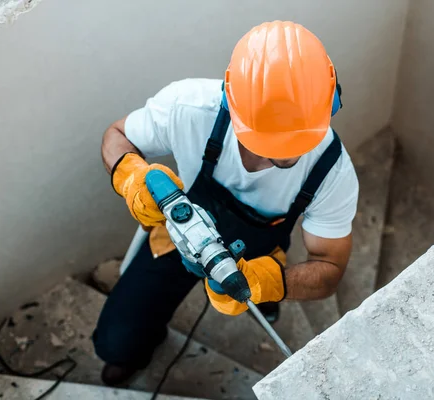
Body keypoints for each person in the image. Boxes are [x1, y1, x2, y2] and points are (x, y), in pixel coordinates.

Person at [93, 20, 359, 385]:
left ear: (329, 104)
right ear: (232, 107)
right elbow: (117, 134)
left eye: (296, 144)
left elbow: (329, 267)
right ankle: (132, 349)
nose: (281, 159)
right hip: (178, 236)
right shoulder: (189, 108)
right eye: (267, 145)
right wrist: (131, 177)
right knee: (116, 341)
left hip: (257, 257)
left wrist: (268, 283)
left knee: (266, 295)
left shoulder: (333, 171)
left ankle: (264, 300)